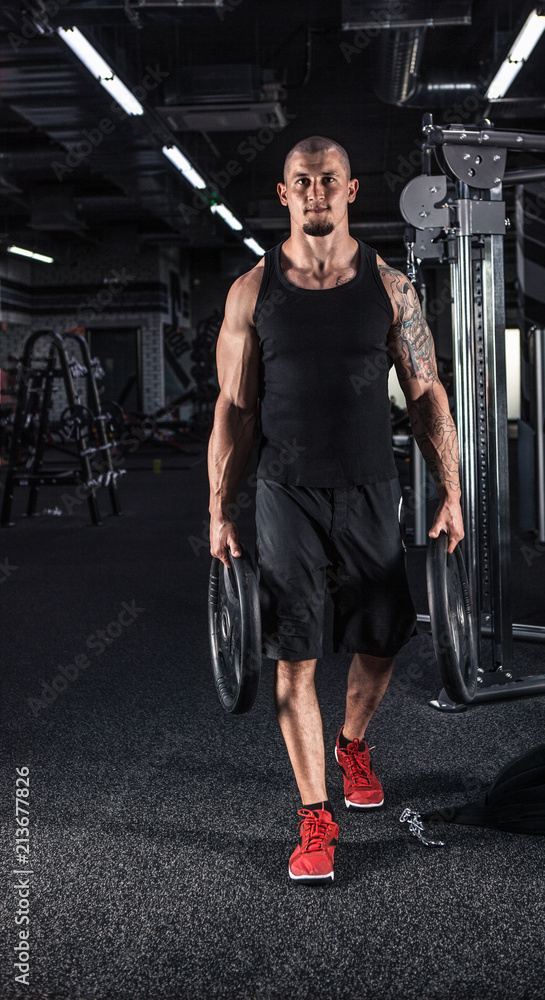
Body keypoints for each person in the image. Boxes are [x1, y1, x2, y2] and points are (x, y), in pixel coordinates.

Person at [208, 135, 463, 885]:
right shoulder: (251, 291)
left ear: (351, 191)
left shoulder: (390, 288)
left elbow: (425, 396)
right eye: (300, 180)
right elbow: (233, 408)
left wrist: (451, 490)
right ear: (282, 194)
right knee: (295, 654)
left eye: (328, 180)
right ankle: (314, 819)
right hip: (285, 492)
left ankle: (352, 742)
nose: (315, 191)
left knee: (382, 637)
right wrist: (219, 509)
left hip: (368, 488)